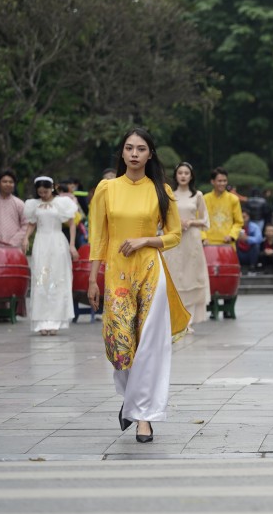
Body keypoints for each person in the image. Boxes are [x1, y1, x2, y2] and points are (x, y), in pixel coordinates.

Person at [87, 128, 191, 444]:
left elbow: (174, 234)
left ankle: (144, 416)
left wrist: (146, 239)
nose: (134, 154)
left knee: (148, 347)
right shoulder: (106, 189)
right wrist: (92, 277)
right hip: (117, 275)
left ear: (150, 154)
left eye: (141, 149)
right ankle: (132, 400)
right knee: (119, 346)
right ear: (122, 153)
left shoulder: (161, 190)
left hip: (151, 272)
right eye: (129, 148)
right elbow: (99, 236)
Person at [24, 176, 78, 335]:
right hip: (41, 242)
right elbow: (32, 223)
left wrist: (72, 244)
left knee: (57, 279)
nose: (43, 194)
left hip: (57, 242)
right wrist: (26, 237)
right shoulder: (34, 205)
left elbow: (72, 223)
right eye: (40, 192)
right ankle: (41, 322)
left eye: (46, 191)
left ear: (52, 188)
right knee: (41, 280)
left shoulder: (61, 203)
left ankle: (55, 322)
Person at [164, 162, 210, 330]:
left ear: (191, 176)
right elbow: (163, 218)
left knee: (191, 276)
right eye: (180, 173)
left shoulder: (197, 195)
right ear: (175, 175)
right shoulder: (170, 194)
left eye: (186, 173)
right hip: (174, 241)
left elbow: (206, 221)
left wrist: (191, 222)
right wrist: (176, 224)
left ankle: (188, 320)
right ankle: (175, 319)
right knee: (175, 276)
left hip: (192, 240)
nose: (183, 176)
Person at [202, 168, 242, 248]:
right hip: (208, 244)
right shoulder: (204, 199)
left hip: (227, 244)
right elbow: (199, 221)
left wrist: (231, 235)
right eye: (219, 181)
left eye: (225, 181)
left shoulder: (234, 199)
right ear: (212, 181)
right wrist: (203, 238)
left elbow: (239, 222)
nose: (222, 183)